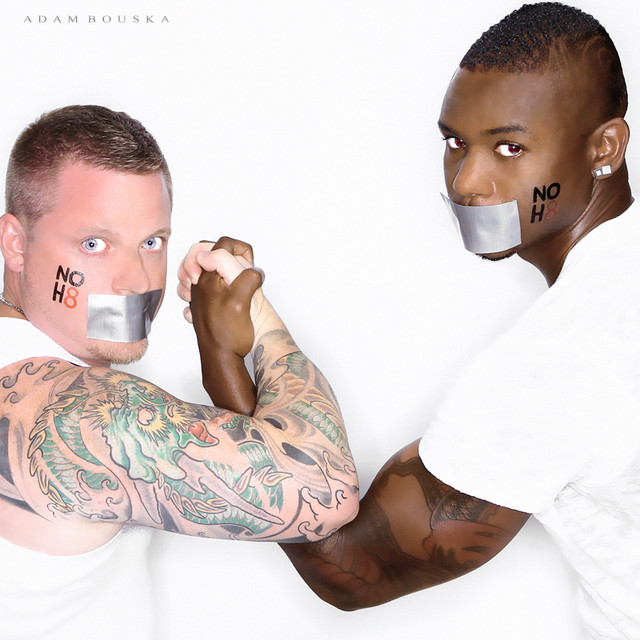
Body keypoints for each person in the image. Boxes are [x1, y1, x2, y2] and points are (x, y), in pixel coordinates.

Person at [181, 3, 639, 638]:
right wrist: (259, 317)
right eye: (455, 142)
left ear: (604, 148)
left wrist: (226, 355)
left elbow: (349, 568)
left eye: (510, 147)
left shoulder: (560, 359)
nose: (468, 182)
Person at [0, 105, 359, 639]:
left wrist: (221, 352)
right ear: (15, 243)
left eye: (152, 242)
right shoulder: (70, 410)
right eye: (93, 244)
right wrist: (260, 319)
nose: (134, 282)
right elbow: (324, 491)